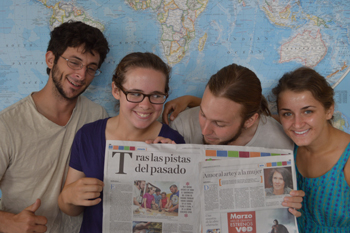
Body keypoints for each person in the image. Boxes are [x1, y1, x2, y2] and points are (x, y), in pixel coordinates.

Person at [0, 21, 109, 233]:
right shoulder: (7, 125)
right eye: (74, 62)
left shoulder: (98, 116)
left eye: (91, 68)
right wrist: (7, 222)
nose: (81, 75)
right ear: (51, 59)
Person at [58, 52, 185, 232]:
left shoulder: (173, 141)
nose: (145, 105)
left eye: (156, 96)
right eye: (135, 94)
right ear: (116, 91)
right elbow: (70, 208)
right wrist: (67, 197)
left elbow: (183, 212)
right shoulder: (88, 136)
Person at [162, 63, 303, 216]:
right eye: (203, 114)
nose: (204, 130)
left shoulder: (278, 143)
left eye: (219, 123)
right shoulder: (183, 125)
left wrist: (287, 205)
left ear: (249, 121)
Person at [271, 67, 350, 233]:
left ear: (329, 110)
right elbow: (244, 113)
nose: (297, 124)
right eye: (287, 114)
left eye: (308, 111)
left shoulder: (347, 159)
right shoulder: (290, 148)